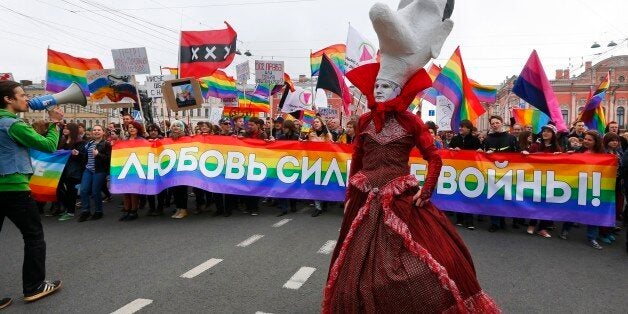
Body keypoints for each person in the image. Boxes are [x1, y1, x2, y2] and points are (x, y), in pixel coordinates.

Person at [323, 1, 499, 312]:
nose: (379, 91)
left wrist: (425, 191)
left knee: (422, 262)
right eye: (376, 85)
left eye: (386, 86)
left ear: (400, 89)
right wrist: (351, 192)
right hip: (365, 199)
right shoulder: (363, 122)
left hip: (400, 197)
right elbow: (358, 160)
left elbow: (435, 158)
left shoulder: (412, 122)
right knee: (357, 267)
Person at [0, 80, 63, 304]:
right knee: (34, 236)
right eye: (22, 95)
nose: (27, 98)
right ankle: (34, 286)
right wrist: (55, 124)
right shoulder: (13, 124)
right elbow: (48, 146)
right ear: (8, 99)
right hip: (14, 189)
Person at [561, 130, 605, 249]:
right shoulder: (578, 151)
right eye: (585, 139)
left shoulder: (603, 154)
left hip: (594, 186)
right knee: (573, 207)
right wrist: (568, 155)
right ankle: (565, 230)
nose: (586, 141)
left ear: (596, 142)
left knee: (593, 211)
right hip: (578, 184)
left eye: (589, 140)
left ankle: (592, 237)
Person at [521, 124, 562, 237]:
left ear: (553, 134)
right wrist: (525, 154)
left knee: (547, 203)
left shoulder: (557, 148)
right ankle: (532, 224)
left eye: (548, 131)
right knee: (536, 201)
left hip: (550, 179)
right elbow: (528, 159)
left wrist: (561, 156)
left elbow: (561, 163)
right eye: (544, 131)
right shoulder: (535, 146)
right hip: (536, 178)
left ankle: (542, 228)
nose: (545, 133)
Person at [449, 119, 481, 230]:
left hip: (471, 172)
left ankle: (469, 220)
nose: (460, 129)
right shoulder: (455, 139)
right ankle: (459, 219)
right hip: (457, 171)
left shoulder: (475, 140)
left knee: (469, 195)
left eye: (462, 127)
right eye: (460, 126)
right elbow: (448, 152)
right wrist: (453, 150)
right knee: (458, 195)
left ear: (469, 128)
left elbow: (479, 155)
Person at [78, 125, 112, 222]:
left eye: (99, 130)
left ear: (103, 132)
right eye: (94, 130)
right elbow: (86, 156)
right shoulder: (89, 143)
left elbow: (108, 159)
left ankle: (98, 211)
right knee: (84, 190)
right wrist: (78, 154)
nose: (96, 131)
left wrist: (98, 155)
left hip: (99, 170)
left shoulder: (106, 144)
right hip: (88, 170)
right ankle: (85, 211)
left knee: (95, 191)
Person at [56, 123, 87, 221]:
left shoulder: (79, 142)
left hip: (73, 170)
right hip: (62, 169)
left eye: (67, 128)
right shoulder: (63, 140)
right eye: (64, 128)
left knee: (71, 191)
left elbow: (83, 156)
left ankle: (70, 211)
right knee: (58, 188)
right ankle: (68, 206)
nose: (65, 130)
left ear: (72, 130)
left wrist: (77, 154)